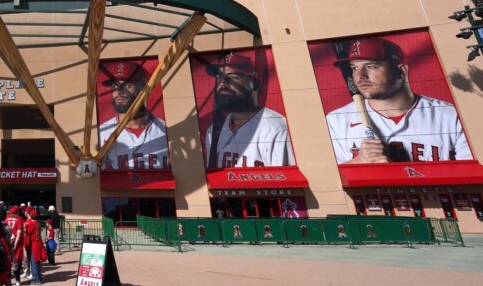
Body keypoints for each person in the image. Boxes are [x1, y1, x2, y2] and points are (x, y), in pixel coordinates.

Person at [325, 38, 471, 164]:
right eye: (354, 68)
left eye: (371, 66)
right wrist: (357, 163)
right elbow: (326, 182)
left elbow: (473, 175)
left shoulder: (450, 115)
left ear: (401, 71)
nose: (360, 76)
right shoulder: (336, 120)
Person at [202, 53, 295, 168]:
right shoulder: (213, 132)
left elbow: (287, 183)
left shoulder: (276, 129)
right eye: (219, 77)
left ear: (255, 84)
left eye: (233, 77)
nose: (223, 83)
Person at [98, 61, 169, 170]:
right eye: (115, 86)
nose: (119, 91)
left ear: (143, 89)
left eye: (127, 85)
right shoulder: (101, 133)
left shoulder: (166, 131)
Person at [22, 208, 47, 285]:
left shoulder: (32, 223)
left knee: (34, 262)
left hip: (35, 244)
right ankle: (38, 277)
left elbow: (26, 230)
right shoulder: (37, 222)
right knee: (37, 262)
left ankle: (36, 279)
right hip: (38, 243)